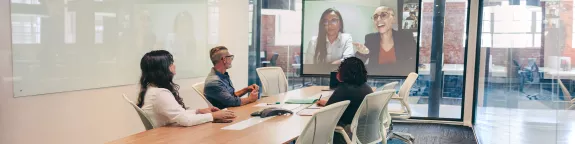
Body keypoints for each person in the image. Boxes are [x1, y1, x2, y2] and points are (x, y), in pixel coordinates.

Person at [137, 50, 236, 127]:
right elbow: (185, 120)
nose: (174, 66)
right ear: (162, 69)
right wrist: (213, 116)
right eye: (170, 64)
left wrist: (198, 111)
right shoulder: (159, 93)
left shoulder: (153, 89)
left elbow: (178, 114)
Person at [315, 57, 373, 144]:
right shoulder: (366, 87)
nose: (338, 71)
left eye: (339, 69)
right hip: (360, 132)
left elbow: (327, 114)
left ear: (345, 72)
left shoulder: (344, 89)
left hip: (344, 133)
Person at [355, 6, 417, 76]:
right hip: (377, 81)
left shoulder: (405, 37)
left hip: (400, 80)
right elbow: (355, 65)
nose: (378, 19)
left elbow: (416, 60)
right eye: (375, 17)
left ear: (393, 19)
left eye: (383, 15)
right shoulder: (370, 38)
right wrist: (361, 54)